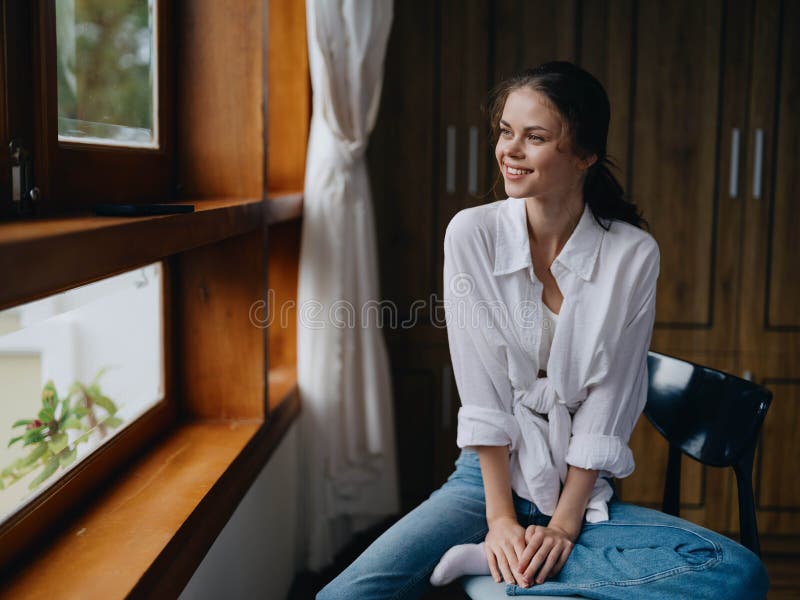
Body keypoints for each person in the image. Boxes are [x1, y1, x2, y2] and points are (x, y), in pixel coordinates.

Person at [316, 61, 769, 600]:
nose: (509, 150)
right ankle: (505, 558)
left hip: (579, 487)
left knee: (737, 573)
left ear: (584, 155)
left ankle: (500, 569)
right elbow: (481, 389)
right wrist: (501, 521)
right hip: (485, 483)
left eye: (535, 137)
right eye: (506, 132)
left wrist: (563, 526)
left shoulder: (632, 254)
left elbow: (611, 399)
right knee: (341, 596)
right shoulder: (472, 234)